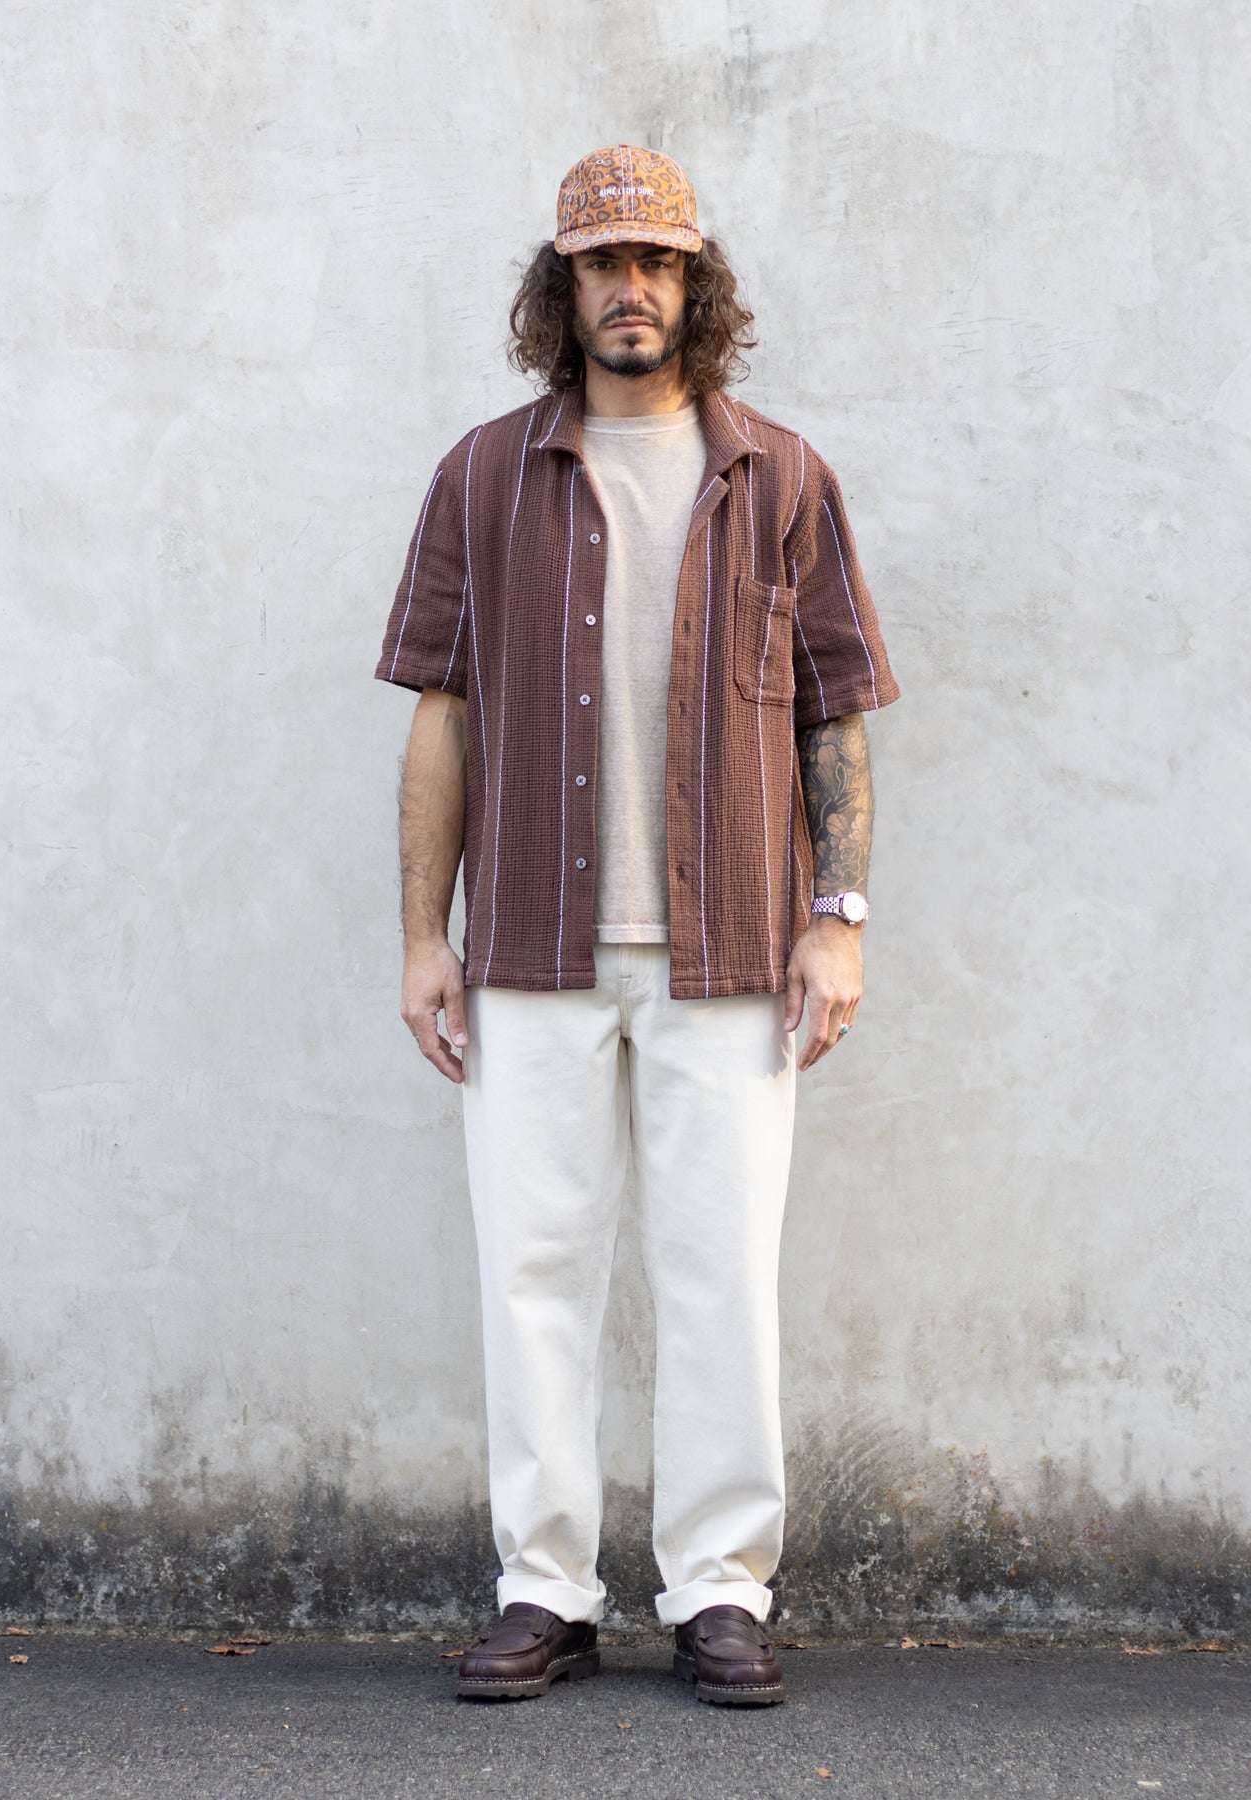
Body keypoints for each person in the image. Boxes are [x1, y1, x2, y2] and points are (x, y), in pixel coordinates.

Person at [375, 143, 899, 1706]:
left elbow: (835, 713)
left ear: (696, 283)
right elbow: (440, 715)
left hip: (731, 950)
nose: (631, 288)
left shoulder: (781, 477)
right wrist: (422, 937)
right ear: (562, 286)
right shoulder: (482, 477)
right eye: (604, 263)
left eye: (658, 262)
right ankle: (545, 1586)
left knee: (720, 1272)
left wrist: (839, 918)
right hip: (529, 946)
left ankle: (721, 1590)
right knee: (532, 1270)